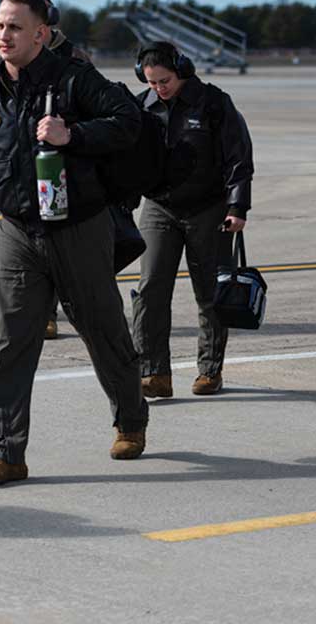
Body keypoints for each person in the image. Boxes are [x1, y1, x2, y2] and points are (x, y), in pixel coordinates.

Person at [0, 0, 150, 486]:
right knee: (9, 343)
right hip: (18, 232)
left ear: (40, 34)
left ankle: (130, 418)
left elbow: (129, 122)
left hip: (79, 228)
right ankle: (5, 450)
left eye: (15, 27)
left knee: (103, 331)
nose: (4, 35)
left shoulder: (74, 81)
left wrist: (72, 136)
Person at [131, 41, 253, 398]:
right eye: (151, 82)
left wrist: (237, 207)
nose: (159, 88)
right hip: (159, 207)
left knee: (209, 291)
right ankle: (154, 372)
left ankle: (209, 370)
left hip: (208, 209)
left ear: (182, 69)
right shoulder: (143, 107)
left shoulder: (214, 103)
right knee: (151, 287)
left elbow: (238, 157)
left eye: (165, 80)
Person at [0, 0, 90, 340]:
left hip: (62, 162)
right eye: (2, 25)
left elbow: (94, 105)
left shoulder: (74, 59)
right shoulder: (5, 59)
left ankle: (75, 311)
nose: (7, 33)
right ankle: (46, 315)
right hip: (22, 164)